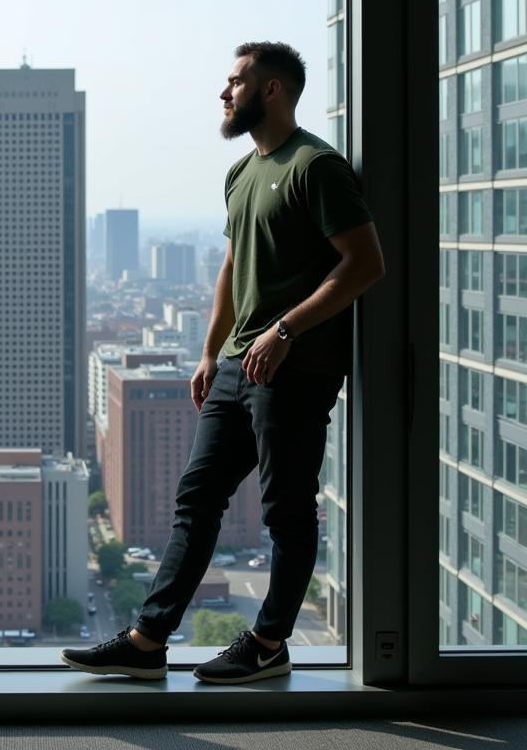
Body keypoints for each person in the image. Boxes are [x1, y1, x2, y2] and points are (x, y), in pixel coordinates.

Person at [61, 41, 385, 684]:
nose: (224, 92)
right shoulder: (240, 174)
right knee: (197, 497)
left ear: (272, 90)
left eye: (236, 81)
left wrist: (286, 330)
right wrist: (212, 350)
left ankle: (268, 643)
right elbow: (233, 271)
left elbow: (365, 264)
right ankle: (148, 641)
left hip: (295, 367)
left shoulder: (316, 166)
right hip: (239, 362)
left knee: (285, 512)